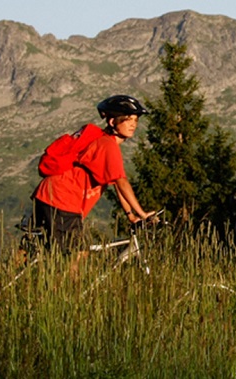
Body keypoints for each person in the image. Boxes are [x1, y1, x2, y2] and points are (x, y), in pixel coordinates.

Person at [28, 95, 156, 273]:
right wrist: (142, 214)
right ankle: (69, 294)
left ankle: (7, 279)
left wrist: (131, 215)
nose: (133, 124)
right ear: (112, 121)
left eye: (135, 120)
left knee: (36, 247)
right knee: (77, 254)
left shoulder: (102, 142)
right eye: (127, 120)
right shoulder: (107, 145)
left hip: (47, 193)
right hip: (63, 199)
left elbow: (116, 185)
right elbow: (122, 181)